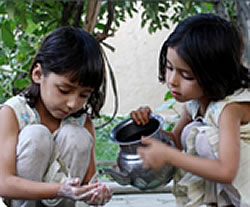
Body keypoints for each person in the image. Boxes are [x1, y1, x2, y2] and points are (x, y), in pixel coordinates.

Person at [130, 13, 250, 207]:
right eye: (169, 68)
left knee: (203, 138)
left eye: (186, 76)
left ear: (214, 75)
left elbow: (227, 170)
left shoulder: (230, 109)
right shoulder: (195, 103)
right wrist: (147, 128)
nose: (172, 81)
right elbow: (176, 141)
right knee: (189, 132)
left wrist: (170, 156)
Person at [0, 26, 113, 207]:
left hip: (65, 202)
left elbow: (89, 183)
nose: (73, 103)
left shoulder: (81, 122)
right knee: (36, 135)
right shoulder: (13, 112)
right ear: (38, 74)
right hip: (19, 202)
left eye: (84, 95)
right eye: (64, 90)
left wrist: (95, 194)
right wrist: (60, 189)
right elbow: (3, 183)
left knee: (77, 136)